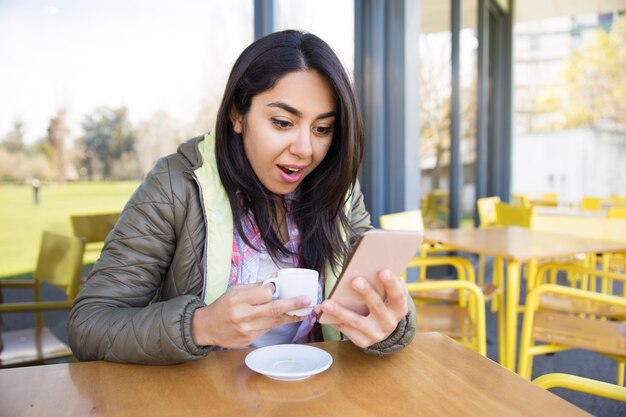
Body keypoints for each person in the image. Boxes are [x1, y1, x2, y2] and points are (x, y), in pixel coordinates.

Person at [68, 30, 416, 364]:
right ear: (238, 114)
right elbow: (89, 326)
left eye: (322, 128)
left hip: (312, 393)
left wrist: (388, 327)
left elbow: (380, 304)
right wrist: (200, 326)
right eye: (282, 122)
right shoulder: (177, 185)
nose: (305, 149)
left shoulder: (338, 191)